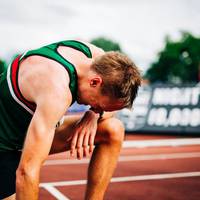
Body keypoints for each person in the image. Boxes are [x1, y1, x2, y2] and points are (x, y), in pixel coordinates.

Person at [0, 40, 141, 200]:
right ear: (95, 82)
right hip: (3, 147)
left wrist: (94, 114)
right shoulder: (55, 91)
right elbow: (27, 170)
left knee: (113, 129)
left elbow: (110, 112)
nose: (97, 108)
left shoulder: (96, 59)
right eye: (98, 105)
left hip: (25, 134)